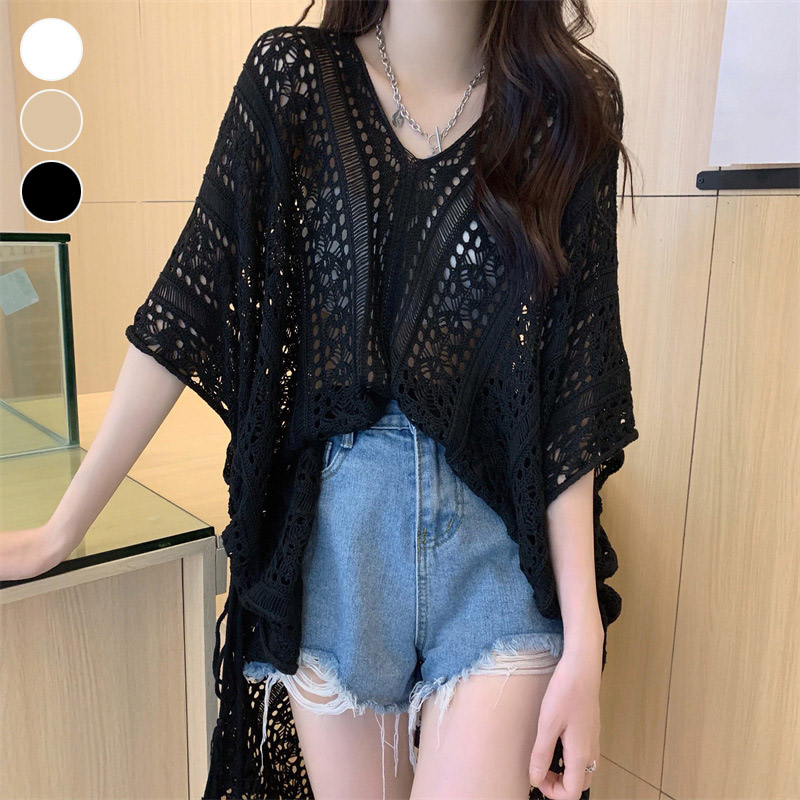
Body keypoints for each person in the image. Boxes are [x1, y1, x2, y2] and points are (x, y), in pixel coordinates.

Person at [0, 2, 640, 799]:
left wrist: (584, 637)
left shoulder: (567, 108)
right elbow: (186, 308)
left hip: (498, 556)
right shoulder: (296, 81)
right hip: (339, 553)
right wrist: (61, 530)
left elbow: (572, 394)